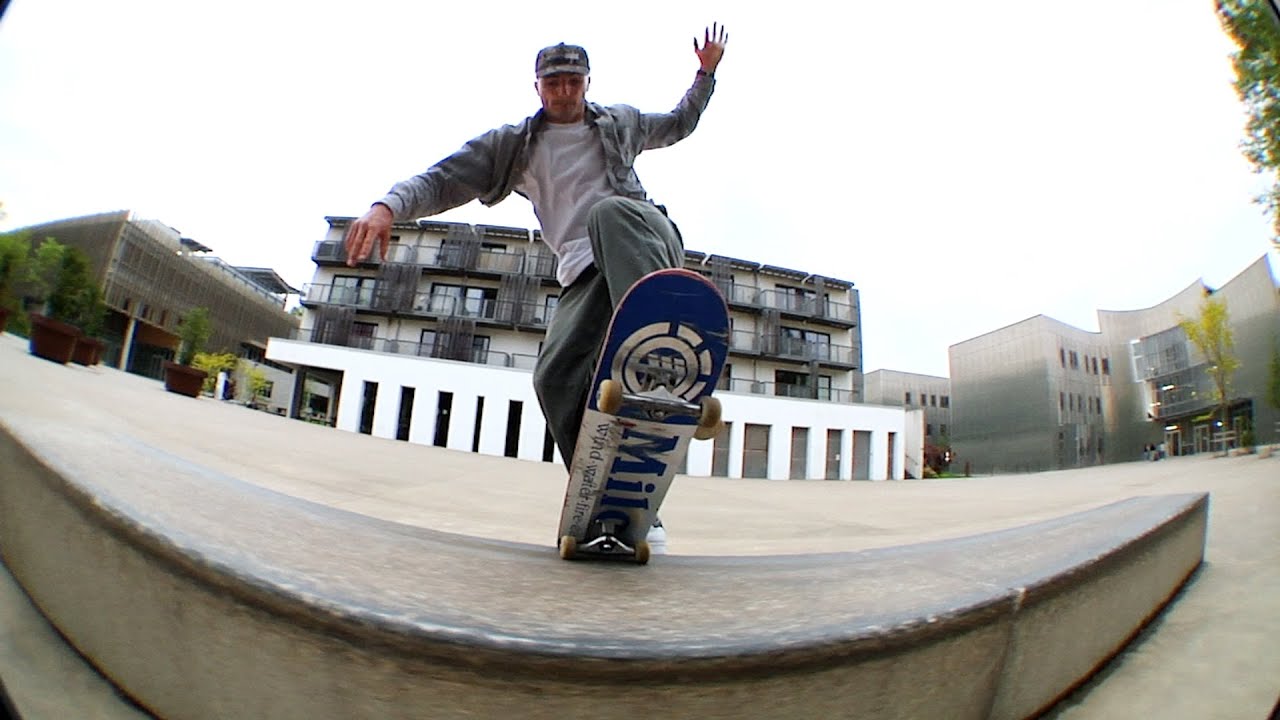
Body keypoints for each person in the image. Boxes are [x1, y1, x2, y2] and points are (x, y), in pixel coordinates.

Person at [344, 24, 730, 551]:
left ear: (588, 83)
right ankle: (618, 506)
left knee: (608, 213)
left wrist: (705, 74)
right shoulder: (512, 147)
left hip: (642, 240)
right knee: (553, 378)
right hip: (584, 274)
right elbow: (442, 178)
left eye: (574, 82)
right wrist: (387, 206)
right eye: (554, 84)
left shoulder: (620, 122)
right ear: (537, 87)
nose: (565, 93)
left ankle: (661, 349)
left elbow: (679, 123)